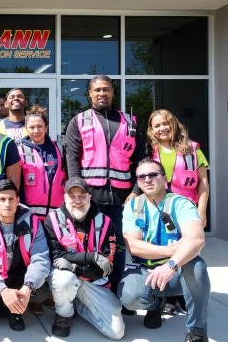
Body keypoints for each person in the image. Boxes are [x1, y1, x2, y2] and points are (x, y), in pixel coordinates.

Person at [64, 74, 147, 303]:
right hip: (91, 199)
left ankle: (119, 293)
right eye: (97, 90)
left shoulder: (130, 122)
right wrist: (76, 193)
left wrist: (136, 191)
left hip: (124, 199)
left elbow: (141, 158)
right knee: (91, 245)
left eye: (106, 89)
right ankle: (89, 295)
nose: (102, 93)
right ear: (90, 93)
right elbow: (72, 158)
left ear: (113, 92)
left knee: (120, 246)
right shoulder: (79, 121)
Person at [119, 159, 210, 342]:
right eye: (142, 176)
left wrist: (171, 264)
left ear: (165, 178)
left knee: (197, 268)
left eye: (153, 174)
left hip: (178, 269)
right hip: (147, 270)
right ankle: (156, 305)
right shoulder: (134, 206)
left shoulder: (181, 203)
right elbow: (133, 246)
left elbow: (197, 239)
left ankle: (197, 331)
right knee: (128, 297)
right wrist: (174, 249)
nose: (148, 179)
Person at [43, 177, 124, 339]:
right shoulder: (52, 219)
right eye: (72, 196)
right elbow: (56, 256)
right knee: (64, 279)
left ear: (89, 196)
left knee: (116, 332)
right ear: (64, 197)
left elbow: (105, 267)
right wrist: (92, 256)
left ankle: (78, 306)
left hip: (93, 280)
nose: (77, 201)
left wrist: (75, 267)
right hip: (66, 276)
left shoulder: (107, 223)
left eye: (82, 195)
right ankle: (64, 315)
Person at [148, 109, 210, 315]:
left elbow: (203, 184)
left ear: (174, 124)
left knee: (188, 253)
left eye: (165, 123)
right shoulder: (150, 151)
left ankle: (185, 296)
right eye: (157, 125)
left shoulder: (193, 149)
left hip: (187, 211)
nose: (162, 128)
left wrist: (201, 211)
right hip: (160, 211)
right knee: (164, 253)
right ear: (152, 130)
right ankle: (166, 297)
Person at [0, 179, 50, 332]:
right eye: (2, 199)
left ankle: (16, 310)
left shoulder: (32, 222)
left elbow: (41, 257)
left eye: (11, 199)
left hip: (19, 273)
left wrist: (27, 287)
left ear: (18, 200)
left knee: (42, 291)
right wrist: (2, 289)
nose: (7, 204)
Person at [17, 105, 67, 219]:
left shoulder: (60, 148)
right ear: (26, 129)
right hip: (29, 214)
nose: (36, 131)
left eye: (40, 126)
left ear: (46, 128)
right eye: (31, 127)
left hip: (57, 214)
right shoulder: (19, 150)